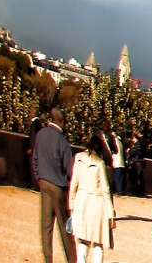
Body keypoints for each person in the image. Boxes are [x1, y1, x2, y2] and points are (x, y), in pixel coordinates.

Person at [33, 109, 75, 263]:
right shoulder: (62, 140)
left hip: (44, 182)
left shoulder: (41, 134)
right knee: (65, 227)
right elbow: (69, 168)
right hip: (58, 186)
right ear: (62, 121)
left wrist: (39, 177)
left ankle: (47, 259)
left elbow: (35, 158)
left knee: (46, 225)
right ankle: (71, 259)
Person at [70, 144, 116, 263]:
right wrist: (111, 214)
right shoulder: (100, 163)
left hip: (81, 202)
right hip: (97, 204)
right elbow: (106, 190)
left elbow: (74, 183)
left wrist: (72, 205)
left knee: (83, 239)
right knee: (98, 242)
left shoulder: (78, 158)